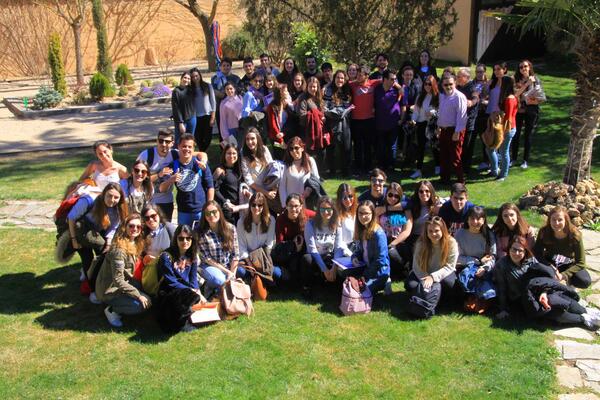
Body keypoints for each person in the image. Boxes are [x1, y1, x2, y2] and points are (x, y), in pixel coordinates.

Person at [67, 182, 129, 298]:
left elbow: (113, 227)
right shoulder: (89, 200)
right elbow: (71, 218)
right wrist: (74, 239)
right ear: (103, 194)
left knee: (99, 256)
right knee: (92, 258)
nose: (112, 200)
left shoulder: (117, 209)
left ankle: (95, 283)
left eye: (116, 197)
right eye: (109, 196)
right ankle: (91, 289)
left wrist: (109, 242)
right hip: (81, 229)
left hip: (98, 231)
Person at [95, 213, 151, 327]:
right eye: (131, 226)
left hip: (124, 284)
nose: (135, 229)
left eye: (138, 227)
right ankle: (111, 310)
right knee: (139, 305)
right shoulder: (119, 251)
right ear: (124, 226)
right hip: (110, 291)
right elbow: (117, 280)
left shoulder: (134, 242)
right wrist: (138, 294)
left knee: (148, 295)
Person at [405, 216, 458, 317]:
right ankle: (427, 299)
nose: (433, 234)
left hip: (443, 273)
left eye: (437, 230)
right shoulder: (421, 243)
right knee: (410, 284)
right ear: (426, 232)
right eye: (430, 231)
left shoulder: (451, 243)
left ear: (442, 230)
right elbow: (416, 266)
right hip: (424, 273)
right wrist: (425, 278)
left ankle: (434, 300)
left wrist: (433, 277)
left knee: (449, 284)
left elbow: (450, 266)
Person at [494, 235, 557, 319]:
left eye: (520, 250)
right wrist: (503, 309)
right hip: (521, 299)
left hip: (538, 293)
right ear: (509, 249)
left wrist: (544, 292)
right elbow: (501, 288)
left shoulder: (531, 260)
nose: (516, 253)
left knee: (559, 302)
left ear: (525, 251)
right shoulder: (501, 265)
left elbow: (542, 277)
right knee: (554, 313)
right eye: (514, 249)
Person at [158, 134, 214, 226]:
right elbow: (161, 189)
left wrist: (209, 205)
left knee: (202, 237)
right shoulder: (173, 166)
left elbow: (210, 186)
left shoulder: (199, 163)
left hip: (201, 209)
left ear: (193, 148)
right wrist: (171, 180)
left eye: (189, 147)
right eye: (184, 146)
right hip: (183, 211)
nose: (187, 149)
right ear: (178, 146)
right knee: (184, 237)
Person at [156, 224, 203, 332]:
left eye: (188, 238)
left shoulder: (193, 255)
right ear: (175, 239)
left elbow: (193, 278)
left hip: (185, 289)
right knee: (185, 295)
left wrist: (197, 291)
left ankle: (191, 316)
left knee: (196, 294)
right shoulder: (166, 256)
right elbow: (170, 281)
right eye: (181, 238)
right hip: (168, 290)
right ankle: (181, 324)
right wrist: (191, 291)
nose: (185, 241)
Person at [534, 206, 591, 289]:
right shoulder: (544, 232)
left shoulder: (575, 235)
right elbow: (537, 252)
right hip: (550, 262)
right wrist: (549, 266)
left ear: (566, 220)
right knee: (535, 274)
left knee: (584, 281)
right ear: (549, 220)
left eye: (560, 220)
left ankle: (570, 283)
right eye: (553, 220)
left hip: (568, 264)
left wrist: (564, 275)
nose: (556, 223)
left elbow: (581, 262)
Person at [301, 196, 343, 298]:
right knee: (307, 259)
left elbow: (338, 248)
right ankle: (307, 287)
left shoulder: (337, 224)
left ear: (333, 210)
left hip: (330, 257)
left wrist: (334, 268)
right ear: (318, 210)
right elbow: (312, 249)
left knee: (341, 261)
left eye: (329, 209)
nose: (325, 212)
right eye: (322, 209)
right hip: (316, 258)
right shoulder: (310, 224)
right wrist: (324, 269)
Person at [236, 192, 284, 282]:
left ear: (264, 206)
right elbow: (241, 246)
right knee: (240, 271)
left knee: (278, 274)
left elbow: (269, 244)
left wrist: (260, 262)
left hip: (263, 256)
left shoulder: (271, 221)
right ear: (250, 205)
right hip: (247, 258)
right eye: (253, 205)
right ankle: (256, 278)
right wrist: (250, 263)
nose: (256, 208)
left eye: (260, 205)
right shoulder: (241, 222)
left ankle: (258, 278)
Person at [196, 201, 240, 298]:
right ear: (204, 216)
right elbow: (207, 259)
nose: (211, 215)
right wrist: (228, 273)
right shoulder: (201, 233)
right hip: (209, 266)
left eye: (214, 211)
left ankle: (215, 291)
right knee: (219, 279)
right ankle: (208, 288)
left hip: (228, 265)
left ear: (219, 211)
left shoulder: (231, 228)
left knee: (237, 274)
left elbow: (236, 255)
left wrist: (232, 274)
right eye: (207, 213)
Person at [137, 129, 179, 221]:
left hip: (167, 200)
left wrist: (203, 158)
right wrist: (158, 175)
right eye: (161, 141)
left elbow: (194, 154)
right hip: (147, 201)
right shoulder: (146, 155)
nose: (163, 144)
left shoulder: (175, 154)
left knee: (165, 229)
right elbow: (137, 180)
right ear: (157, 141)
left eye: (167, 141)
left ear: (172, 143)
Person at [274, 193, 316, 283]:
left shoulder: (307, 215)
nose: (293, 209)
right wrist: (294, 246)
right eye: (290, 206)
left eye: (296, 206)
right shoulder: (281, 219)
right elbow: (279, 242)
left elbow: (322, 216)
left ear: (301, 206)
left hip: (306, 250)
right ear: (286, 206)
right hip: (289, 252)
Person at [352, 200, 391, 294]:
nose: (363, 216)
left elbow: (381, 260)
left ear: (372, 214)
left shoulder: (379, 234)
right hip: (366, 268)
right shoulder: (362, 229)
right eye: (360, 213)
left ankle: (386, 281)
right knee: (348, 283)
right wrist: (354, 257)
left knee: (361, 291)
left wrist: (365, 275)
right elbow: (359, 250)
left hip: (378, 272)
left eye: (366, 213)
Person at [454, 206, 497, 293]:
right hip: (464, 267)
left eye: (478, 219)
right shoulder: (459, 234)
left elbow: (493, 256)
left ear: (483, 220)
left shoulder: (489, 235)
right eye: (472, 218)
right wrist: (477, 261)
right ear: (467, 219)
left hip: (484, 269)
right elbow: (456, 257)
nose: (475, 222)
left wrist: (485, 268)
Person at [349, 65, 382, 175]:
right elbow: (338, 83)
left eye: (360, 75)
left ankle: (368, 168)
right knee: (357, 145)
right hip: (356, 120)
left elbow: (389, 80)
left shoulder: (373, 83)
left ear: (366, 76)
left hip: (369, 120)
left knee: (368, 145)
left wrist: (399, 87)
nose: (357, 77)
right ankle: (358, 167)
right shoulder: (352, 84)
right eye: (357, 75)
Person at [512, 59, 544, 169]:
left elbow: (541, 97)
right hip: (519, 111)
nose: (523, 69)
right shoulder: (516, 80)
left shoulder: (536, 80)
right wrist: (527, 84)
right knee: (515, 134)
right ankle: (514, 158)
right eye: (521, 67)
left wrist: (533, 100)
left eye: (525, 66)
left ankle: (525, 160)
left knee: (528, 135)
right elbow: (516, 94)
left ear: (529, 67)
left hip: (531, 110)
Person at [437, 74, 467, 184]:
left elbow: (462, 116)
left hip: (455, 130)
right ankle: (444, 179)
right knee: (444, 155)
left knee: (456, 157)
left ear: (455, 83)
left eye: (451, 84)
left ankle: (460, 181)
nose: (448, 86)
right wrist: (439, 127)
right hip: (444, 130)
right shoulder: (442, 96)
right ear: (442, 85)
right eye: (446, 84)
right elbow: (441, 114)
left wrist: (457, 132)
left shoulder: (459, 97)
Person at [486, 75, 517, 181]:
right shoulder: (509, 97)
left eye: (502, 83)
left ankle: (503, 174)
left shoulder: (509, 99)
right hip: (504, 128)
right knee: (491, 148)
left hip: (507, 129)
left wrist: (502, 131)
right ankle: (495, 171)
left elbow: (508, 117)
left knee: (504, 152)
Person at [379, 182, 413, 278]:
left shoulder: (406, 209)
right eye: (390, 195)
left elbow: (407, 231)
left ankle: (404, 271)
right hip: (384, 241)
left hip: (400, 243)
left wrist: (392, 244)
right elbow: (376, 223)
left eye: (396, 196)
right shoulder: (382, 207)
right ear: (386, 194)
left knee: (391, 252)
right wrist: (388, 208)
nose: (393, 198)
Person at [323, 70, 353, 176]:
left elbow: (349, 105)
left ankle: (345, 170)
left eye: (342, 78)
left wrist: (345, 110)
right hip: (331, 120)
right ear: (334, 78)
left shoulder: (348, 91)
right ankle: (331, 170)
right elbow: (324, 106)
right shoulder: (328, 90)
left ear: (345, 80)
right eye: (337, 78)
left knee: (346, 146)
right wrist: (331, 112)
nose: (339, 80)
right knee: (331, 146)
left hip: (344, 121)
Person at [410, 75, 440, 179]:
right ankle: (418, 169)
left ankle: (438, 165)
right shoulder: (420, 96)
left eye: (429, 84)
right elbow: (416, 111)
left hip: (432, 124)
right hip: (421, 124)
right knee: (420, 147)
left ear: (433, 85)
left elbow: (441, 111)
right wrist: (413, 119)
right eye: (425, 84)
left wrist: (433, 112)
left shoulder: (437, 96)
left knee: (434, 146)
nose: (427, 86)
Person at [279, 136, 319, 208]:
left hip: (308, 203)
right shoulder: (285, 165)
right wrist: (285, 206)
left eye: (296, 148)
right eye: (291, 149)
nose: (294, 151)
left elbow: (316, 179)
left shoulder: (310, 161)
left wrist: (309, 189)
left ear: (302, 148)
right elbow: (282, 186)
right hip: (291, 206)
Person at [213, 143, 249, 223]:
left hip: (240, 208)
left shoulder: (239, 169)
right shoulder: (220, 170)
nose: (231, 156)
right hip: (227, 210)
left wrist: (244, 188)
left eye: (234, 153)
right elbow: (215, 189)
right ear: (224, 154)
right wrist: (225, 202)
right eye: (228, 153)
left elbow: (242, 182)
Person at [374, 69, 402, 172]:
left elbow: (403, 100)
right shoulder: (377, 89)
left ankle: (391, 166)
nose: (394, 82)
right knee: (381, 145)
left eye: (395, 79)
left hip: (393, 123)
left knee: (392, 146)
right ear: (384, 79)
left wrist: (401, 119)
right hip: (380, 123)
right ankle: (381, 165)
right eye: (391, 79)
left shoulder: (396, 90)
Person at [298, 76, 329, 168]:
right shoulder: (303, 98)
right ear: (307, 87)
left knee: (322, 152)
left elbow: (323, 111)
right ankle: (309, 172)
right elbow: (302, 115)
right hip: (308, 130)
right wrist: (315, 115)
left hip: (320, 129)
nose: (312, 88)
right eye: (310, 86)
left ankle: (320, 172)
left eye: (314, 86)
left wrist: (322, 117)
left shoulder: (319, 97)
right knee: (309, 154)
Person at [456, 67, 480, 175]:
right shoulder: (459, 87)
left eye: (459, 76)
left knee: (467, 146)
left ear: (466, 77)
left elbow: (476, 97)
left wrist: (471, 102)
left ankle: (465, 169)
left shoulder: (471, 87)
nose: (457, 78)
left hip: (469, 122)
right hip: (459, 121)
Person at [241, 128, 275, 201]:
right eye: (247, 139)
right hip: (254, 190)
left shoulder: (264, 150)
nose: (250, 142)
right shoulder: (244, 156)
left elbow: (272, 169)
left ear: (258, 139)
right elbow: (249, 180)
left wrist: (274, 190)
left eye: (252, 138)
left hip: (269, 186)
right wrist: (265, 193)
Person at [190, 67, 216, 152]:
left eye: (196, 76)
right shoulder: (190, 89)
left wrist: (213, 117)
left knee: (208, 138)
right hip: (196, 117)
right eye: (193, 77)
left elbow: (213, 102)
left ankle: (202, 153)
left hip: (207, 116)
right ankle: (202, 154)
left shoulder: (207, 86)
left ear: (200, 76)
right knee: (199, 138)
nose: (195, 78)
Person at [266, 85, 293, 159]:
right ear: (279, 93)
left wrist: (284, 132)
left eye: (287, 91)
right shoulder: (272, 106)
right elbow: (273, 124)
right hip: (276, 138)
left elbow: (291, 120)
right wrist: (281, 141)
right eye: (285, 91)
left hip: (286, 134)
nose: (286, 93)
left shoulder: (287, 103)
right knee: (279, 156)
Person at [171, 71, 195, 144]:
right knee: (179, 141)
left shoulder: (191, 89)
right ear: (181, 78)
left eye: (188, 78)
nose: (186, 80)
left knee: (190, 140)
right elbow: (176, 108)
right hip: (181, 121)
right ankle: (177, 155)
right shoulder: (176, 91)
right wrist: (180, 122)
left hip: (192, 118)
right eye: (185, 78)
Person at [218, 82, 243, 147]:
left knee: (242, 149)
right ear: (225, 91)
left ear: (234, 89)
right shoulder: (223, 103)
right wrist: (226, 136)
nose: (229, 91)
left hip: (242, 128)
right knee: (234, 148)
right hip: (231, 130)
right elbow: (223, 121)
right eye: (227, 89)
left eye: (231, 88)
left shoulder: (240, 98)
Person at [336, 183, 358, 257]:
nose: (348, 200)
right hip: (345, 251)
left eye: (350, 196)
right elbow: (339, 241)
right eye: (344, 197)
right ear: (340, 199)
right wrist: (351, 255)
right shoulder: (338, 215)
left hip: (360, 248)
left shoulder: (359, 211)